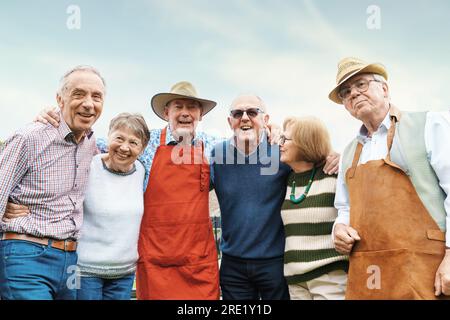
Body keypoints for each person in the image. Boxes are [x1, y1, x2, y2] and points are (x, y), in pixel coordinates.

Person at [330, 57, 450, 299]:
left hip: (426, 268)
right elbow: (344, 208)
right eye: (346, 91)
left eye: (361, 84)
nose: (354, 93)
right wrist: (339, 228)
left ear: (384, 89)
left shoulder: (429, 124)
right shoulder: (348, 153)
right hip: (367, 276)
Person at [5, 113, 150, 300]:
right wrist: (11, 203)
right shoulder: (88, 163)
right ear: (108, 137)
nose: (124, 147)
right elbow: (55, 184)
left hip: (123, 274)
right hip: (82, 272)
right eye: (119, 138)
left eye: (133, 142)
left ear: (143, 147)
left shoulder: (142, 171)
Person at [211, 94, 340, 300]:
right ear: (230, 121)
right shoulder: (217, 155)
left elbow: (312, 153)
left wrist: (336, 156)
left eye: (252, 112)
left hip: (276, 262)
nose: (244, 118)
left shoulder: (282, 152)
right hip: (233, 264)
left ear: (265, 119)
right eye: (237, 113)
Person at [0, 65, 105, 300]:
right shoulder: (29, 137)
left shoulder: (91, 143)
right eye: (79, 94)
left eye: (96, 96)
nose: (89, 103)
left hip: (70, 262)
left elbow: (129, 142)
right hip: (25, 256)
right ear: (60, 99)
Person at [279, 116, 348, 300]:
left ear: (304, 143)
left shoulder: (334, 174)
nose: (281, 144)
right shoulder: (288, 179)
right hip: (295, 280)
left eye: (286, 140)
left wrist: (343, 160)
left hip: (329, 277)